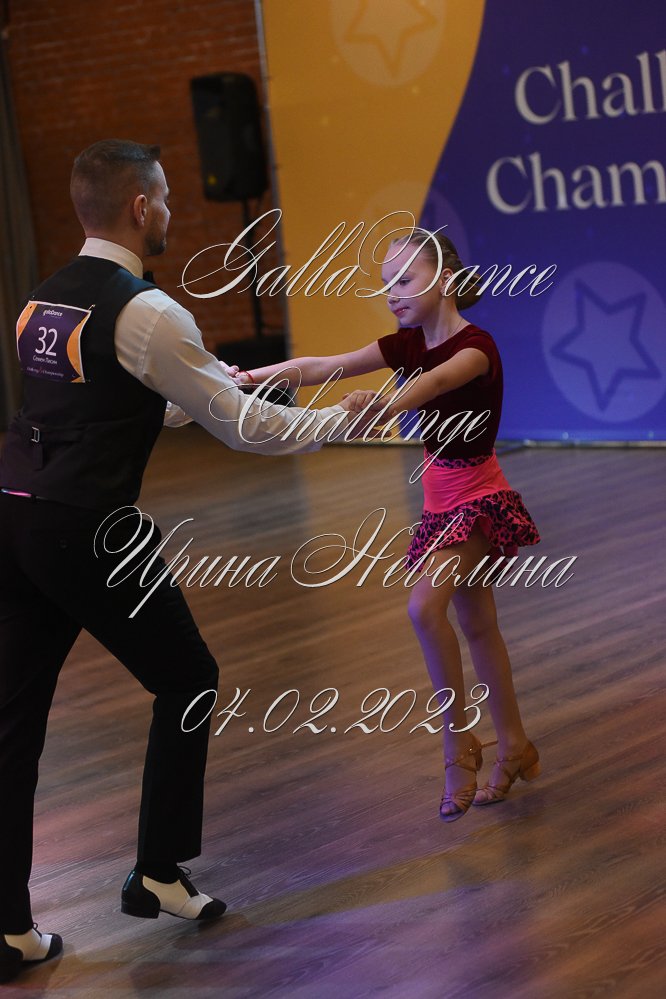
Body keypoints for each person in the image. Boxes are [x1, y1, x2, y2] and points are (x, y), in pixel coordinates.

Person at [0, 139, 376, 985]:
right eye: (165, 197)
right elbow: (244, 427)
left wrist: (198, 388)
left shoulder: (39, 300)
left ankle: (7, 928)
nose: (170, 210)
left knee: (12, 723)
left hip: (15, 515)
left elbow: (98, 403)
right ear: (140, 207)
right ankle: (157, 872)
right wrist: (336, 421)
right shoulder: (149, 310)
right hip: (88, 528)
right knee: (190, 677)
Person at [233, 229, 541, 824]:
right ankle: (515, 744)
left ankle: (458, 746)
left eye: (404, 279)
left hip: (480, 501)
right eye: (385, 284)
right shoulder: (407, 343)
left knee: (424, 610)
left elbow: (435, 382)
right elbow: (326, 365)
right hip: (439, 507)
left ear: (443, 279)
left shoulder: (476, 347)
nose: (392, 293)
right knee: (479, 627)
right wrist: (247, 379)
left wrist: (383, 407)